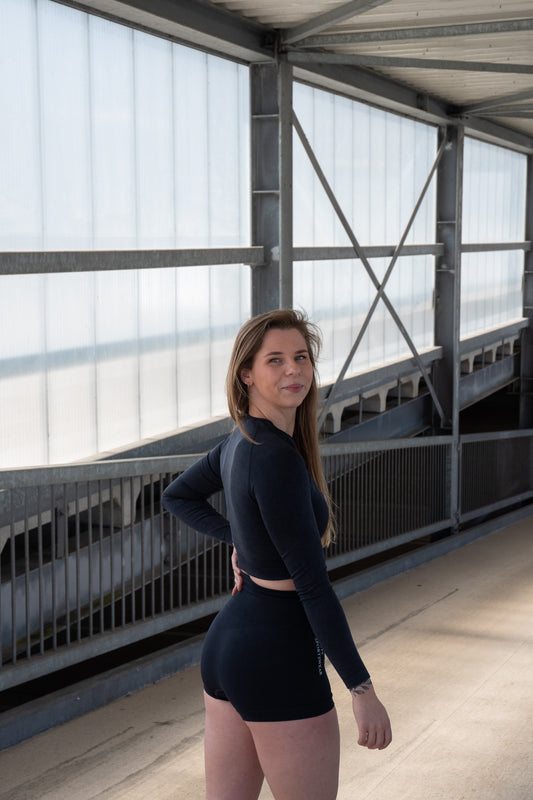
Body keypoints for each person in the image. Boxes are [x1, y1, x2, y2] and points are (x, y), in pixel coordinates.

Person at [162, 309, 391, 800]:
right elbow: (312, 587)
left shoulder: (240, 440)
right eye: (276, 360)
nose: (294, 369)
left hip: (228, 647)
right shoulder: (274, 457)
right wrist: (361, 689)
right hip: (278, 652)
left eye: (301, 357)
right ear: (247, 373)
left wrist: (243, 539)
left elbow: (177, 495)